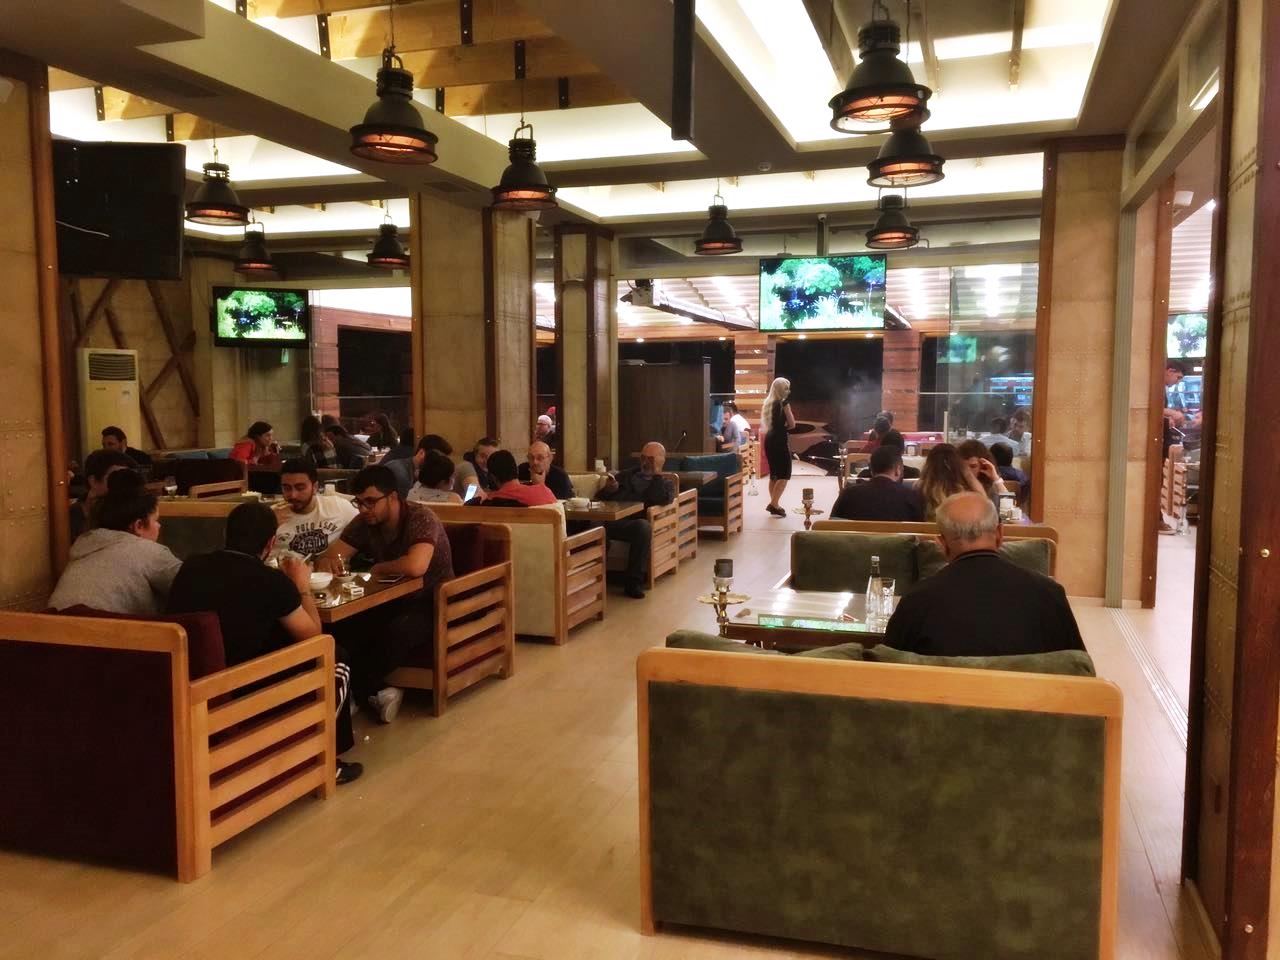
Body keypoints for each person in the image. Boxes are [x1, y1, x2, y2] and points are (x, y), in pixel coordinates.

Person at [167, 501, 361, 784]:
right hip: (241, 686)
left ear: (226, 534)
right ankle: (328, 760)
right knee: (335, 656)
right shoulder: (270, 581)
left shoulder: (191, 567)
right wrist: (301, 586)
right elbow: (313, 637)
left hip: (186, 680)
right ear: (270, 543)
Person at [317, 465, 455, 723]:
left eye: (371, 502)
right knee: (344, 628)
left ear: (392, 497)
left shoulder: (420, 518)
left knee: (394, 635)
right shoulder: (364, 522)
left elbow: (416, 566)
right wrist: (328, 563)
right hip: (389, 598)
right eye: (359, 502)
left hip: (433, 600)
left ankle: (353, 694)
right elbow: (333, 555)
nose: (364, 509)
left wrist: (378, 568)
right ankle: (375, 692)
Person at [884, 492, 1084, 657]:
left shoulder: (916, 600)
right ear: (1000, 534)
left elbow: (888, 667)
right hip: (1025, 695)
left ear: (942, 544)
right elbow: (1077, 667)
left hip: (944, 694)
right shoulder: (1049, 594)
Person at [49, 471, 181, 614]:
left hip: (50, 625)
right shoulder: (144, 550)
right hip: (104, 627)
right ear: (138, 525)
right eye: (156, 520)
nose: (159, 526)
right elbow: (190, 585)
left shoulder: (83, 548)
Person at [599, 441, 675, 599]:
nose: (645, 462)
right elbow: (599, 498)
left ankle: (633, 583)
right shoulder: (624, 476)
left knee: (643, 527)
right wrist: (608, 490)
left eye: (651, 459)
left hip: (634, 524)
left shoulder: (666, 483)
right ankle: (592, 580)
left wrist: (656, 474)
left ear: (661, 460)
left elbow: (659, 498)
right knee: (593, 526)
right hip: (613, 520)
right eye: (643, 458)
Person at [274, 458, 358, 557]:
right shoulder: (271, 516)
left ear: (315, 487)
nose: (293, 495)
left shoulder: (339, 507)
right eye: (287, 488)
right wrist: (270, 526)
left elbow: (365, 525)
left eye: (300, 488)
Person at [832, 446, 925, 522]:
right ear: (898, 470)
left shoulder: (848, 494)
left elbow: (831, 528)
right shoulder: (912, 497)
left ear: (871, 470)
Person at [70, 448, 137, 540]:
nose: (123, 485)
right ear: (93, 481)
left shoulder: (128, 512)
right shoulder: (69, 520)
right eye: (115, 478)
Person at [917, 443, 986, 521]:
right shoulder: (966, 493)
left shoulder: (915, 490)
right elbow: (985, 511)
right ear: (958, 466)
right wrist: (969, 476)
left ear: (928, 465)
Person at [761, 377, 795, 517]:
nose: (788, 391)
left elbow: (769, 424)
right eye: (787, 388)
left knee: (774, 475)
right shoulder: (783, 403)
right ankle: (774, 504)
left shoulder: (767, 403)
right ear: (783, 390)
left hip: (769, 440)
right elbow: (792, 424)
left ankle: (774, 504)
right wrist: (784, 426)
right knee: (785, 474)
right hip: (780, 440)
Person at [385, 433, 454, 501]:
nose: (440, 463)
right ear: (421, 453)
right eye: (436, 458)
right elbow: (407, 504)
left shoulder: (424, 474)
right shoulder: (400, 471)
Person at [482, 450, 559, 507]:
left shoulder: (490, 501)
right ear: (517, 470)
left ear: (493, 477)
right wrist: (540, 486)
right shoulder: (544, 493)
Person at [956, 438, 1011, 511]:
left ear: (983, 465)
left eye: (973, 466)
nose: (967, 471)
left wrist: (996, 478)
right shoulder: (954, 484)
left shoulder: (990, 486)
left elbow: (1009, 509)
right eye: (963, 467)